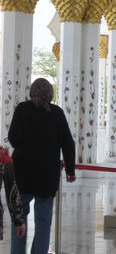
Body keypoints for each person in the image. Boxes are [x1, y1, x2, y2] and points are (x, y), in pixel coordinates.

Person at [8, 78, 76, 254]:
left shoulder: (22, 109)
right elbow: (68, 143)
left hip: (22, 174)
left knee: (19, 220)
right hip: (47, 177)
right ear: (50, 94)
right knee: (43, 222)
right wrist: (70, 170)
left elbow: (13, 139)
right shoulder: (57, 113)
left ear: (32, 92)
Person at [0, 147, 25, 242]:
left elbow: (12, 192)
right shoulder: (3, 156)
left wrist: (18, 220)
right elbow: (12, 193)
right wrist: (19, 220)